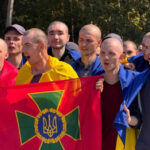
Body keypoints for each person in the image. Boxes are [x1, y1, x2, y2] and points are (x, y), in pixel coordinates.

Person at [99, 38, 149, 150]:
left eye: (111, 53)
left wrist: (130, 120)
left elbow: (144, 120)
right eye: (103, 53)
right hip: (98, 144)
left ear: (122, 57)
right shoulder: (93, 83)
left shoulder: (135, 81)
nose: (106, 57)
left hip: (126, 145)